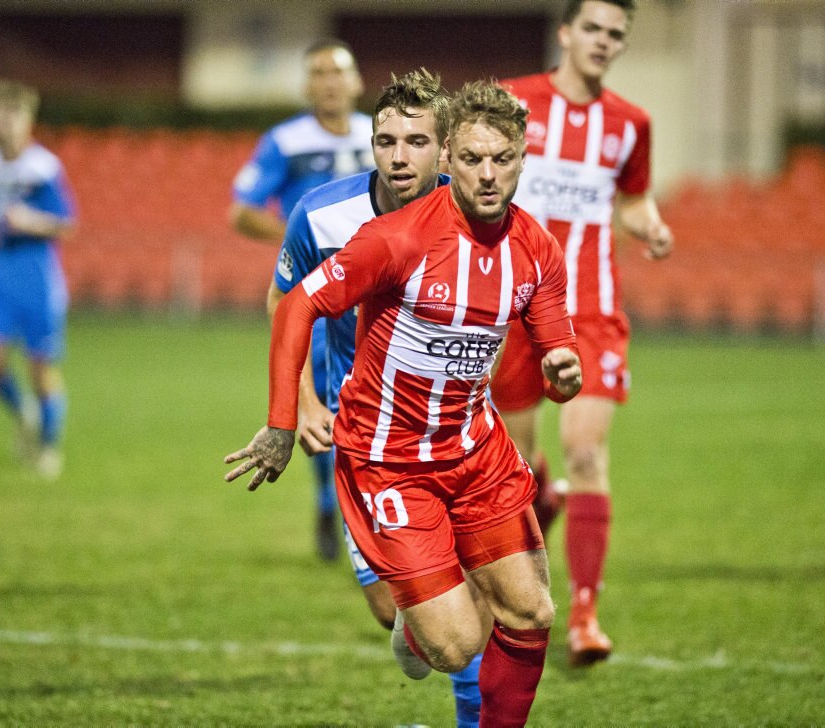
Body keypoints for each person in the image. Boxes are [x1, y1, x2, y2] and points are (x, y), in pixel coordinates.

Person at [226, 80, 582, 727]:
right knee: (454, 641)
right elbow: (296, 304)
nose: (487, 172)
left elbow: (555, 342)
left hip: (476, 451)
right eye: (472, 157)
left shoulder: (536, 247)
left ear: (522, 159)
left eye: (501, 158)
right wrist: (285, 420)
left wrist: (564, 366)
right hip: (388, 458)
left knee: (531, 613)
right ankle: (423, 628)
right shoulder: (392, 238)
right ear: (451, 158)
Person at [267, 68, 483, 728]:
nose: (399, 156)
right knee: (400, 609)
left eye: (417, 142)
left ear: (443, 150)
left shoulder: (474, 209)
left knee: (478, 597)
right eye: (386, 140)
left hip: (454, 432)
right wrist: (302, 401)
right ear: (372, 143)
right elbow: (284, 301)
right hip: (366, 439)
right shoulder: (322, 215)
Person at [492, 0, 675, 667]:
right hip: (511, 310)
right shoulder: (512, 102)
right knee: (515, 470)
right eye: (592, 28)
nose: (603, 41)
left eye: (616, 34)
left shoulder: (631, 125)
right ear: (566, 32)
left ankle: (584, 614)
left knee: (587, 451)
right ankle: (544, 501)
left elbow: (632, 200)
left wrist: (648, 225)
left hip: (591, 312)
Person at [229, 39, 374, 561]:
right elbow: (241, 211)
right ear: (307, 85)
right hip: (314, 298)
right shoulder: (285, 141)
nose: (330, 81)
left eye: (339, 71)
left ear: (358, 81)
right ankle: (327, 498)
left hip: (378, 288)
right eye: (318, 72)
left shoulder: (382, 135)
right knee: (320, 399)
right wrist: (299, 244)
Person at [0, 78, 76, 480]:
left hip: (37, 271)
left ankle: (46, 446)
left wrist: (28, 221)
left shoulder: (43, 168)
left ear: (28, 121)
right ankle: (23, 413)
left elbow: (66, 224)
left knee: (40, 367)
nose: (5, 122)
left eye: (14, 114)